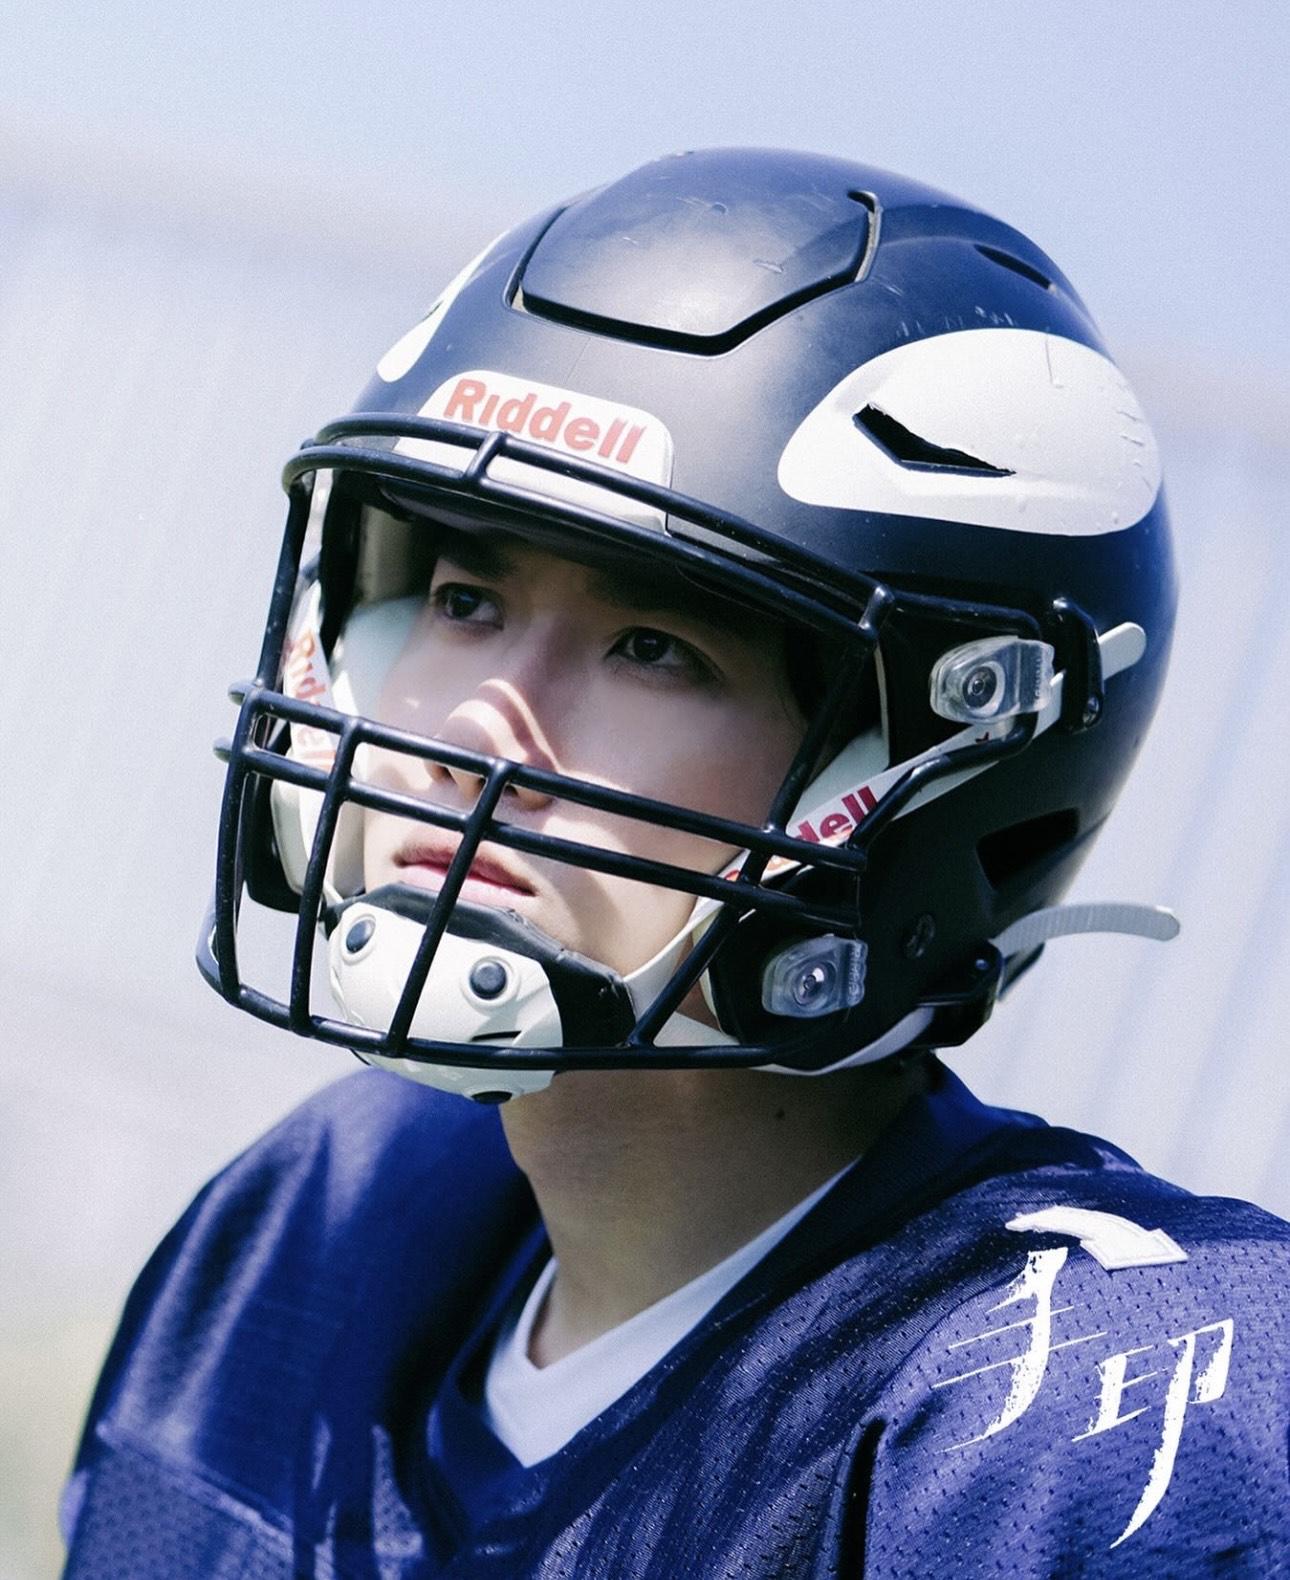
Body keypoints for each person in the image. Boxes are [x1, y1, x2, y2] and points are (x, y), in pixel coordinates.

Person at [62, 148, 1289, 1577]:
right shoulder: (319, 1231)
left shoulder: (1086, 1415)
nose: (473, 727)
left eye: (655, 647)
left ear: (942, 776)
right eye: (461, 598)